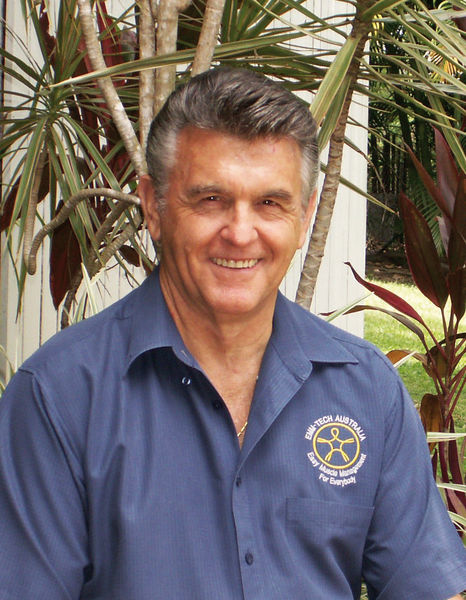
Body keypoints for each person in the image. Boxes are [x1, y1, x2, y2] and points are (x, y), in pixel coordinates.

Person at [0, 67, 464, 600]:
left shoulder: (366, 388)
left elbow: (427, 586)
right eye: (210, 200)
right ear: (153, 206)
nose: (241, 234)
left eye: (270, 203)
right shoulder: (58, 396)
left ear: (305, 215)